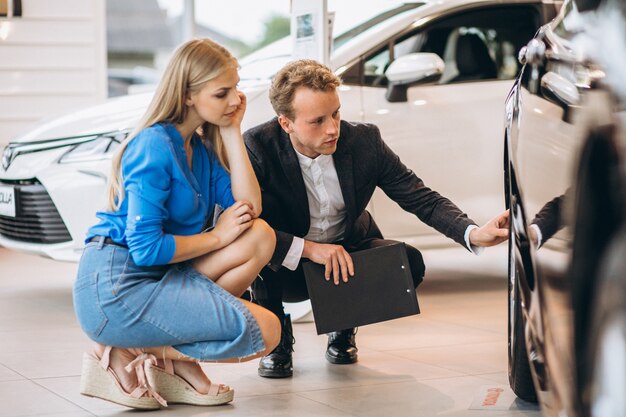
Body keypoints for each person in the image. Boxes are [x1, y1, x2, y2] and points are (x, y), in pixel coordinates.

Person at [243, 59, 510, 378]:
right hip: (285, 266)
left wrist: (472, 232)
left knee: (408, 262)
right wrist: (311, 249)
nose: (332, 129)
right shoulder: (258, 147)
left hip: (345, 254)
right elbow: (246, 228)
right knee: (260, 250)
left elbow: (417, 195)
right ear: (286, 123)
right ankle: (277, 336)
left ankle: (342, 324)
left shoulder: (363, 141)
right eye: (317, 121)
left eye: (336, 113)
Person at [72, 38, 280, 410]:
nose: (235, 100)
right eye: (222, 93)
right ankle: (129, 351)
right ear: (187, 95)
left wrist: (232, 131)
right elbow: (146, 249)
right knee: (266, 331)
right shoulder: (153, 146)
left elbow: (249, 209)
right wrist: (216, 237)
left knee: (259, 236)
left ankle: (153, 356)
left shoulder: (197, 149)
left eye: (236, 87)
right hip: (117, 287)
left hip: (159, 275)